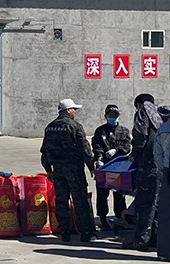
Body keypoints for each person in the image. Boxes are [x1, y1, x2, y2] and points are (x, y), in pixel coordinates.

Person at [40, 99, 96, 242]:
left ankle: (65, 232)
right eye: (74, 110)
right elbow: (84, 148)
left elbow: (45, 150)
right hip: (74, 169)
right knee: (80, 200)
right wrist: (91, 166)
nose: (75, 113)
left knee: (61, 201)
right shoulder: (74, 126)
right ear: (68, 111)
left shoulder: (50, 127)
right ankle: (86, 233)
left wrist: (48, 169)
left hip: (58, 169)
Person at [123, 94, 163, 251]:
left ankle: (141, 241)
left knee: (144, 204)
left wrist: (134, 154)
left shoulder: (143, 112)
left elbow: (140, 136)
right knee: (157, 203)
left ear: (139, 104)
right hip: (162, 165)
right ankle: (155, 239)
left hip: (148, 164)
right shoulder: (161, 114)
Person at [92, 104, 131, 230]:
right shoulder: (100, 131)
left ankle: (120, 218)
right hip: (105, 166)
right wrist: (99, 158)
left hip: (119, 167)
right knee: (102, 193)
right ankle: (103, 219)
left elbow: (127, 147)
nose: (113, 117)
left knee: (119, 193)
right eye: (111, 115)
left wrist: (116, 150)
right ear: (106, 116)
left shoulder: (124, 131)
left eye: (115, 115)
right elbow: (96, 145)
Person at [154, 106, 170, 260]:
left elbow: (158, 155)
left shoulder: (163, 129)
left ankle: (165, 252)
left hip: (168, 171)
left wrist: (163, 171)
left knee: (165, 214)